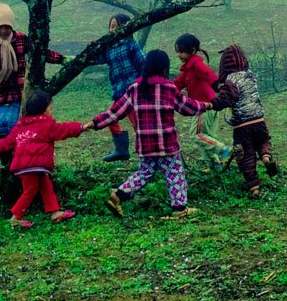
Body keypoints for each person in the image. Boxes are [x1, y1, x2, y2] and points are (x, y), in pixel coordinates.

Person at [85, 48, 221, 219]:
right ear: (165, 69)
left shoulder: (135, 88)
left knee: (144, 173)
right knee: (175, 173)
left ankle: (117, 196)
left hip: (146, 145)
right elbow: (188, 108)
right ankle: (179, 209)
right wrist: (208, 105)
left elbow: (115, 112)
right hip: (167, 144)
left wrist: (95, 123)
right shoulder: (169, 88)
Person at [0, 3, 66, 202]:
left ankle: (22, 169)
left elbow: (41, 53)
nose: (4, 30)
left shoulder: (22, 39)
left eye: (7, 26)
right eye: (0, 27)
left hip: (18, 96)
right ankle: (8, 167)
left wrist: (62, 59)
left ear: (12, 26)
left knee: (17, 132)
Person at [0, 90, 85, 227]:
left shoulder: (20, 127)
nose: (51, 112)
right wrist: (80, 128)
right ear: (43, 110)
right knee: (30, 190)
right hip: (34, 165)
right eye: (50, 108)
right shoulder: (47, 126)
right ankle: (15, 217)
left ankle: (54, 211)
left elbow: (7, 143)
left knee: (45, 185)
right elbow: (63, 130)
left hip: (24, 166)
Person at [214, 44, 278, 198]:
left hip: (242, 126)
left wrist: (213, 103)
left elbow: (226, 99)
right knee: (263, 142)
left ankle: (254, 188)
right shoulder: (250, 75)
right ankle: (266, 158)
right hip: (259, 121)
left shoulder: (230, 80)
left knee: (245, 156)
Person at [174, 33, 231, 167]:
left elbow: (208, 73)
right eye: (178, 52)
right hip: (208, 108)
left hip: (205, 107)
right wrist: (162, 89)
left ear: (192, 51)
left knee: (197, 135)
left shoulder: (195, 65)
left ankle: (224, 150)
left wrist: (218, 84)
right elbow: (177, 84)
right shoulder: (188, 69)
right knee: (206, 138)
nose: (179, 55)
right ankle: (215, 166)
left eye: (181, 52)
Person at [100, 13, 146, 162]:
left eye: (117, 26)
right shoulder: (109, 48)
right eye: (111, 26)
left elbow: (143, 63)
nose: (113, 30)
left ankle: (146, 157)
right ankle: (121, 150)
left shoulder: (130, 45)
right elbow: (97, 59)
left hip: (133, 93)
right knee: (110, 118)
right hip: (119, 93)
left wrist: (141, 84)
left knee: (138, 125)